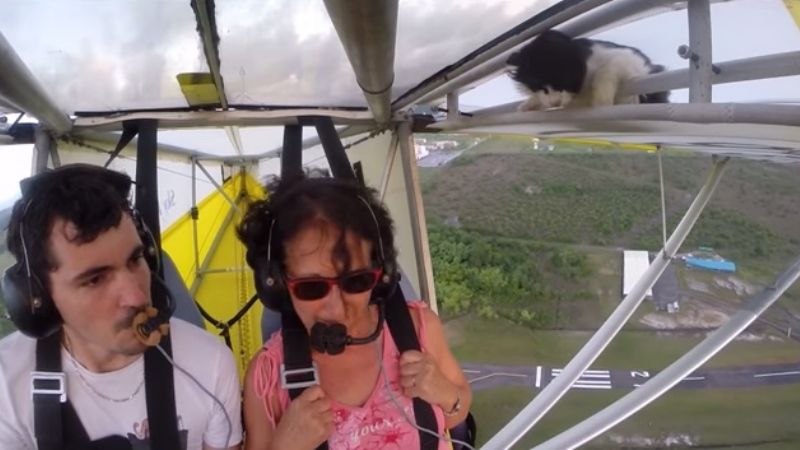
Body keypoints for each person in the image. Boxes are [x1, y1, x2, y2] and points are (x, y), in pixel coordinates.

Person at [0, 164, 243, 450]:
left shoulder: (210, 364)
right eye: (95, 279)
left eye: (135, 260)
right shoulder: (6, 384)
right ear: (37, 297)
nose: (137, 297)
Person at [237, 175, 472, 450]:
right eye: (311, 287)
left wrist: (446, 394)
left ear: (381, 275)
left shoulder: (419, 330)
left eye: (356, 281)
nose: (337, 309)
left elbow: (458, 410)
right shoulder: (267, 380)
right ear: (277, 283)